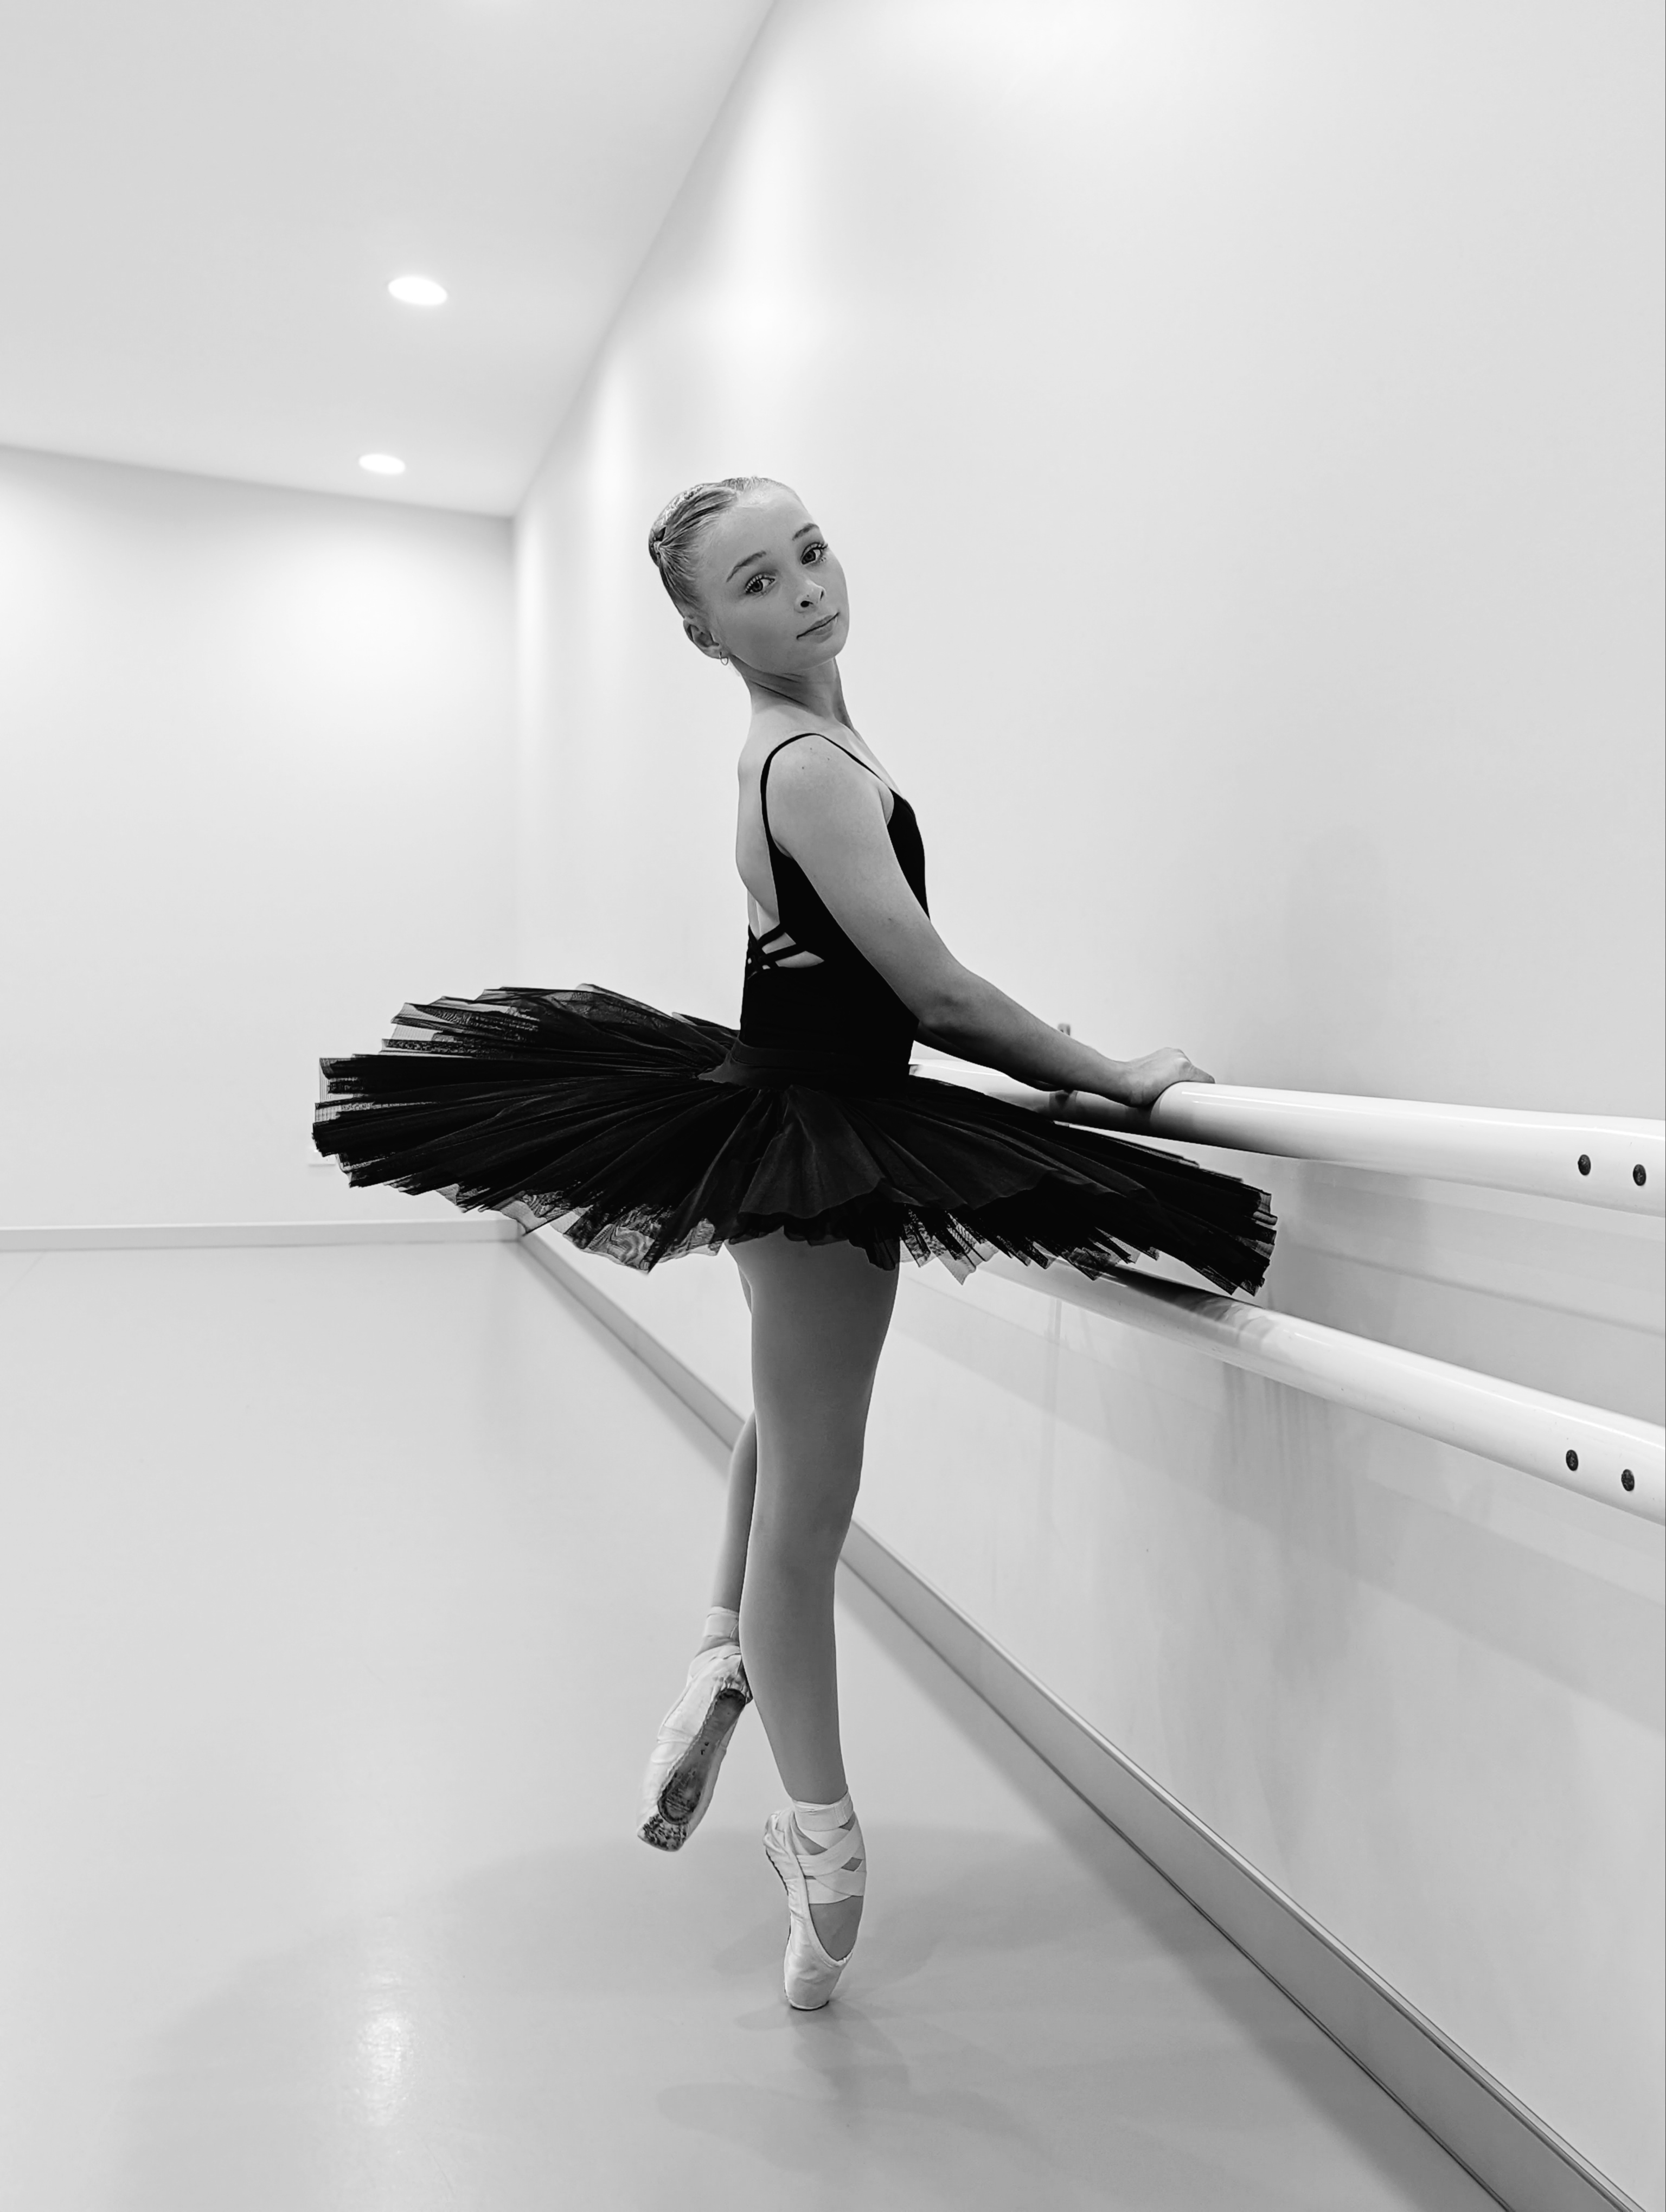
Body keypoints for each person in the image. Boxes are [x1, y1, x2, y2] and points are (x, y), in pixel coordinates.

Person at [313, 475, 1274, 2012]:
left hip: (802, 1110)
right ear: (707, 633)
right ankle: (823, 1850)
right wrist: (1113, 1074)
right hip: (818, 1137)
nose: (807, 588)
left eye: (811, 553)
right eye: (757, 582)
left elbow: (872, 988)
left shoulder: (802, 740)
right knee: (813, 1515)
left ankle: (720, 1653)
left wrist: (1044, 1079)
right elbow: (934, 991)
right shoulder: (811, 766)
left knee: (789, 1414)